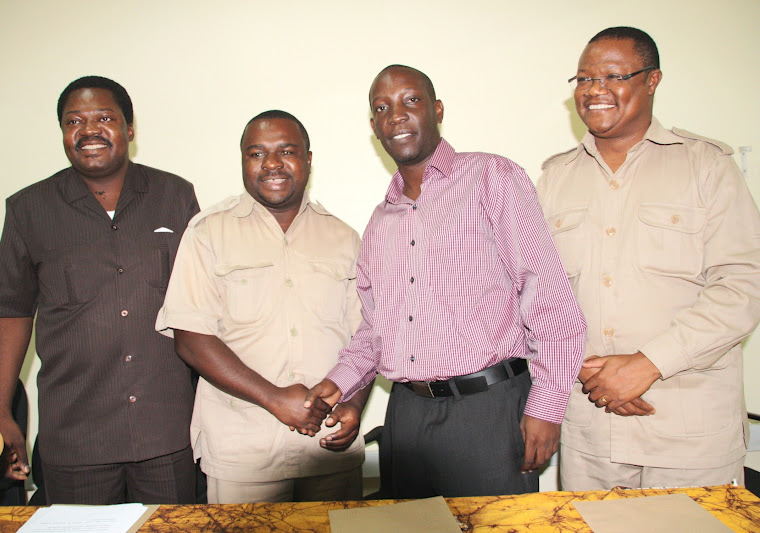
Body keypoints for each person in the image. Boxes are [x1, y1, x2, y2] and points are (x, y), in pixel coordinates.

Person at [305, 65, 586, 498]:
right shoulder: (380, 223)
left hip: (488, 412)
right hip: (407, 418)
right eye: (382, 108)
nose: (396, 114)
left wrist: (548, 406)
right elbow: (376, 329)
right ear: (375, 127)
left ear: (437, 110)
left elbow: (546, 296)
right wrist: (339, 381)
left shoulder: (492, 178)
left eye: (410, 100)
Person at [538, 27, 760, 490]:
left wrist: (647, 364)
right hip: (592, 429)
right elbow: (536, 294)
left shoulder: (706, 165)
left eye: (613, 76)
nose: (594, 90)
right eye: (584, 79)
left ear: (652, 80)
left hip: (688, 431)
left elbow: (743, 286)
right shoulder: (555, 179)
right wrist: (582, 366)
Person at [0, 76, 200, 504]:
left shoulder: (175, 195)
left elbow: (204, 301)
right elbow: (11, 311)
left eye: (104, 118)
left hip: (166, 430)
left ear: (129, 129)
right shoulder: (28, 209)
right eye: (74, 121)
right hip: (77, 437)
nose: (89, 130)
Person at [156, 110, 367, 504]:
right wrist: (274, 398)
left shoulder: (345, 238)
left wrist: (354, 404)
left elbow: (366, 339)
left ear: (308, 159)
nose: (271, 163)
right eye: (256, 154)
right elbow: (191, 339)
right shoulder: (208, 232)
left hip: (329, 448)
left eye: (286, 151)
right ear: (242, 161)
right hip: (243, 454)